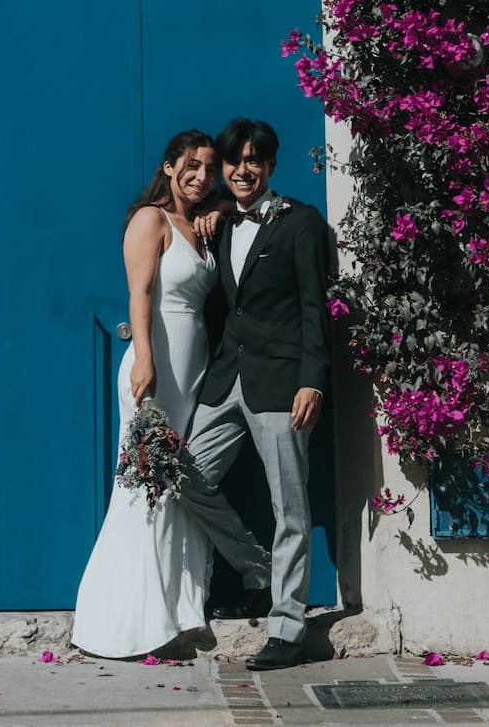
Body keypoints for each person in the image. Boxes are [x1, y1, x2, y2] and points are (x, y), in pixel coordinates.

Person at [183, 117, 330, 671]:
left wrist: (312, 378)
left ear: (269, 165)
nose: (242, 170)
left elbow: (316, 308)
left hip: (284, 384)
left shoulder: (301, 223)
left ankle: (289, 629)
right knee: (180, 475)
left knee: (290, 509)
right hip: (226, 382)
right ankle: (257, 567)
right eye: (233, 161)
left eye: (253, 160)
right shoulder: (219, 223)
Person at [72, 129, 221, 658]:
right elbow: (139, 293)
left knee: (178, 487)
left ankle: (177, 610)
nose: (201, 176)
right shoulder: (150, 220)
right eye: (193, 166)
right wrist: (144, 359)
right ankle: (121, 624)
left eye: (209, 168)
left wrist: (218, 217)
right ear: (169, 165)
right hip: (154, 368)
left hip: (194, 373)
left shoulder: (201, 223)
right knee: (143, 488)